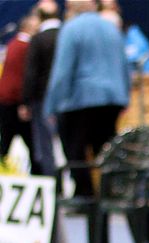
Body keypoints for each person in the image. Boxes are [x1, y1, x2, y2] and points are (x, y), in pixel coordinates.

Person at [44, 0, 129, 197]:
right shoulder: (111, 28)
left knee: (75, 151)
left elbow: (62, 71)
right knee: (106, 149)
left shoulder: (71, 29)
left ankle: (84, 195)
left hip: (80, 100)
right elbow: (124, 65)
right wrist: (124, 97)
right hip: (112, 99)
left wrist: (52, 105)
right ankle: (111, 192)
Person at [22, 0, 61, 177]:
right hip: (66, 99)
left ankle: (52, 184)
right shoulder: (66, 34)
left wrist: (25, 101)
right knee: (67, 144)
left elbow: (31, 74)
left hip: (42, 99)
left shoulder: (38, 39)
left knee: (45, 145)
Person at [0, 13, 42, 174]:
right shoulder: (25, 47)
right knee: (31, 143)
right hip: (15, 102)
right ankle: (38, 175)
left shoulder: (12, 44)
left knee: (7, 141)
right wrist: (24, 102)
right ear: (29, 27)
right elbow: (23, 78)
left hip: (7, 100)